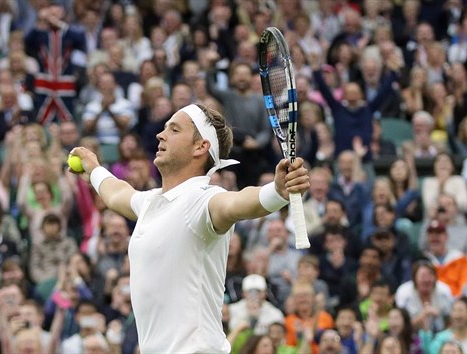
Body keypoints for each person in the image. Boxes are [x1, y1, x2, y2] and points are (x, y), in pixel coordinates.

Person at [69, 103, 310, 353]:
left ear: (201, 146)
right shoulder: (150, 202)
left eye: (174, 130)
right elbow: (117, 193)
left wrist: (277, 191)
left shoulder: (203, 199)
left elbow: (238, 203)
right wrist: (94, 169)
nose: (160, 135)